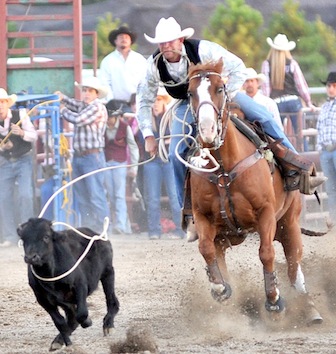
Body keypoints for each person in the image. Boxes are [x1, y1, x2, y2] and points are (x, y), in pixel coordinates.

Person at [136, 17, 326, 240]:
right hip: (187, 104)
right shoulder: (154, 65)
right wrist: (148, 134)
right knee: (175, 154)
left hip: (219, 97)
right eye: (162, 42)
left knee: (265, 118)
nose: (166, 46)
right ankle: (189, 214)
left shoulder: (203, 49)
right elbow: (144, 100)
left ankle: (296, 165)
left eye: (170, 41)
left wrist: (225, 95)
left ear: (180, 39)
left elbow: (238, 67)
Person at [55, 77, 110, 233]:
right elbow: (77, 105)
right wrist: (64, 99)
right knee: (83, 197)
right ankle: (89, 231)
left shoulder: (97, 107)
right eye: (85, 90)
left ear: (96, 94)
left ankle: (102, 231)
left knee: (95, 196)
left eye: (90, 91)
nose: (86, 93)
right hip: (81, 157)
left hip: (92, 157)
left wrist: (62, 108)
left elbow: (78, 119)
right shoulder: (86, 106)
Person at [142, 87, 185, 240]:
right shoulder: (146, 121)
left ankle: (180, 229)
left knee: (175, 196)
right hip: (153, 161)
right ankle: (154, 230)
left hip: (168, 161)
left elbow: (178, 136)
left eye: (158, 99)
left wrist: (158, 141)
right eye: (154, 100)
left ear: (163, 101)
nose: (155, 103)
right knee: (152, 197)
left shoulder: (171, 117)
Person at [0, 88, 38, 247]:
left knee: (25, 195)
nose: (0, 106)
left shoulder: (21, 115)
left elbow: (34, 136)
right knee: (3, 198)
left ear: (8, 104)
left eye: (2, 102)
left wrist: (22, 133)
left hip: (23, 160)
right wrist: (2, 148)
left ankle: (27, 236)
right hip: (5, 163)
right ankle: (10, 236)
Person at [261, 33, 316, 136]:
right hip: (293, 100)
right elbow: (301, 85)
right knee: (300, 132)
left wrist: (266, 105)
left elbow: (266, 89)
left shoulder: (267, 64)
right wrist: (308, 102)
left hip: (276, 102)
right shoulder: (292, 63)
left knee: (276, 134)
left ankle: (280, 151)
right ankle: (303, 150)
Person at [104, 100, 139, 234]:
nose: (109, 120)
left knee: (118, 195)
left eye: (111, 117)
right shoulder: (103, 127)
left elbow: (133, 147)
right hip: (106, 163)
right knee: (111, 195)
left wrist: (133, 167)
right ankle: (121, 225)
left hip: (119, 163)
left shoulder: (125, 127)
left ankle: (120, 225)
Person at [99, 26, 147, 107]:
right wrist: (112, 101)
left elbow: (146, 80)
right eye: (121, 37)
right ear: (115, 41)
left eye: (126, 37)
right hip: (117, 104)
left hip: (138, 103)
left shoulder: (140, 59)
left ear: (130, 41)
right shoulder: (107, 61)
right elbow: (105, 83)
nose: (124, 39)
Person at [316, 72, 336, 228]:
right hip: (326, 151)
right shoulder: (325, 107)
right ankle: (333, 216)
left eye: (334, 86)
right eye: (329, 86)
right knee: (330, 187)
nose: (330, 89)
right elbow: (319, 128)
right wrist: (320, 147)